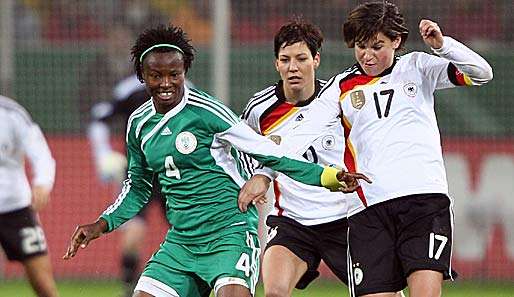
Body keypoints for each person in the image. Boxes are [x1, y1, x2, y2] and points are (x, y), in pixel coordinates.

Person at [63, 24, 369, 297]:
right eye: (157, 75)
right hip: (182, 241)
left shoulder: (207, 111)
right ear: (143, 76)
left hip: (230, 234)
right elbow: (138, 187)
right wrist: (100, 225)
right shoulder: (139, 124)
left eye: (175, 74)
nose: (166, 83)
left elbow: (272, 155)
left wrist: (328, 177)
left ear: (185, 72)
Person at [279, 2, 493, 297]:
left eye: (377, 46)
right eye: (360, 46)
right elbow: (299, 136)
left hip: (423, 202)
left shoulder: (418, 67)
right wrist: (263, 175)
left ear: (396, 40)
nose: (367, 56)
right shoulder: (341, 86)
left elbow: (483, 73)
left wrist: (443, 46)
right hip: (368, 210)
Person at [89, 73, 173, 297]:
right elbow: (99, 119)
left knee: (185, 230)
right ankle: (129, 288)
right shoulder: (129, 90)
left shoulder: (185, 89)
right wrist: (102, 155)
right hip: (138, 175)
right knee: (133, 232)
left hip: (174, 174)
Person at [0, 95, 59, 297]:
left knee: (42, 283)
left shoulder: (12, 114)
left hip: (15, 208)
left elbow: (40, 153)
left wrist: (43, 183)